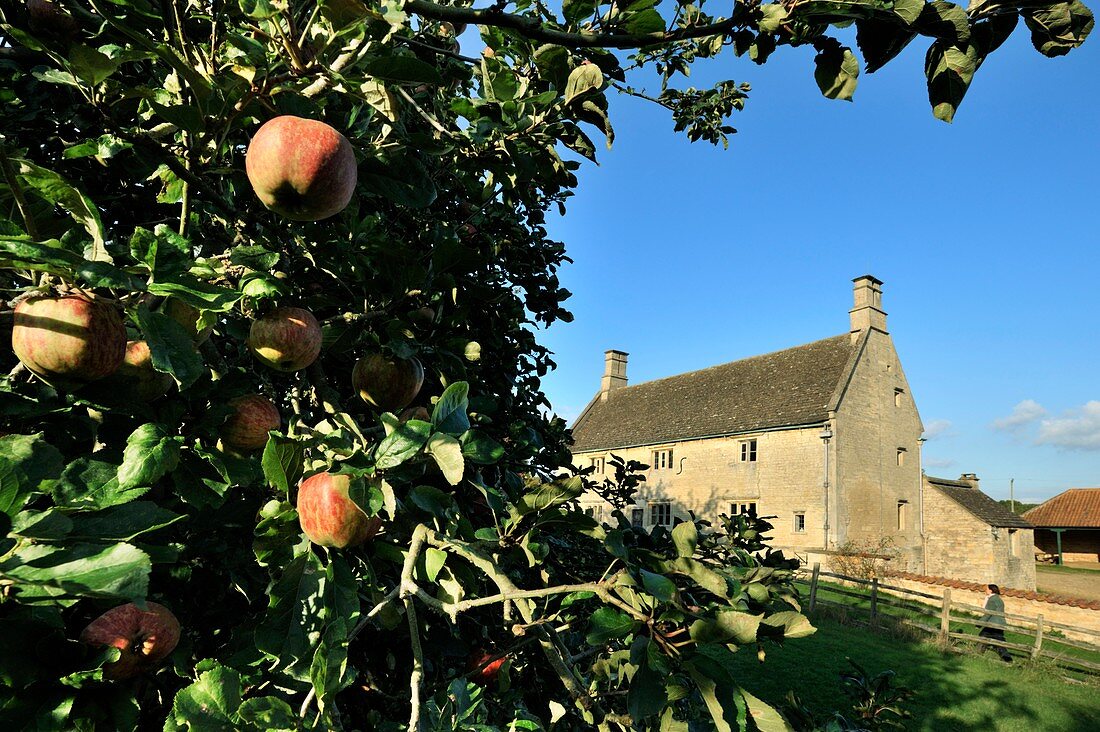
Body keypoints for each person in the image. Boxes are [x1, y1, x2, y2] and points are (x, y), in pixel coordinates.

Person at [978, 584, 1013, 663]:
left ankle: (978, 654)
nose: (985, 590)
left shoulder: (992, 599)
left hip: (993, 623)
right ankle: (1007, 659)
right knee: (989, 637)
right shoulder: (998, 599)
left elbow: (988, 613)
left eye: (986, 589)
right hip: (999, 623)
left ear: (991, 590)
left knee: (985, 637)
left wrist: (979, 623)